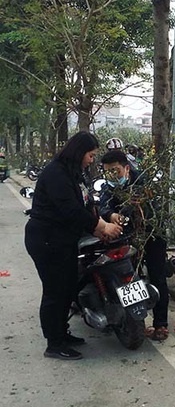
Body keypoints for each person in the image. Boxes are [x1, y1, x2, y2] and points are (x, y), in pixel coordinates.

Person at [24, 131, 122, 360]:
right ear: (79, 152)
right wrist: (101, 226)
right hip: (47, 240)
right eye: (90, 155)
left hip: (63, 240)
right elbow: (71, 211)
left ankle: (62, 333)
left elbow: (86, 205)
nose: (91, 159)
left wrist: (101, 227)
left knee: (68, 287)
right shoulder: (56, 173)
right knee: (55, 291)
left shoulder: (74, 173)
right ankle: (54, 343)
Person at [99, 149, 169, 341]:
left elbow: (154, 208)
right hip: (128, 237)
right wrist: (111, 215)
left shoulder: (144, 182)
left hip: (152, 235)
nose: (113, 176)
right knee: (129, 276)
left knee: (158, 277)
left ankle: (161, 324)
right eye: (108, 173)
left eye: (116, 171)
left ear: (127, 168)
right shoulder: (108, 186)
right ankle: (135, 321)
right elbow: (103, 204)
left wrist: (137, 209)